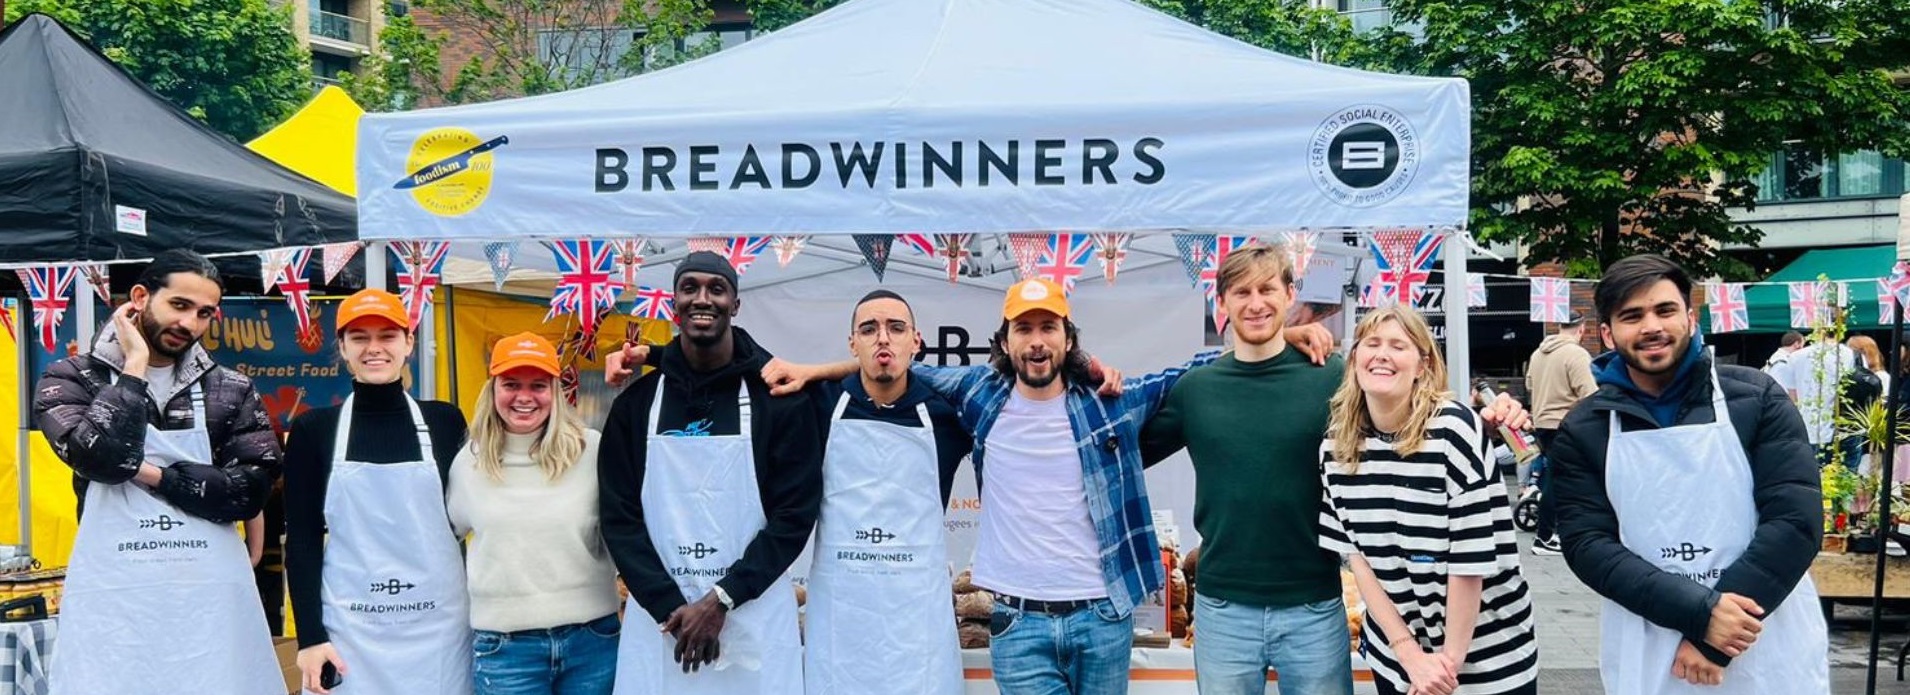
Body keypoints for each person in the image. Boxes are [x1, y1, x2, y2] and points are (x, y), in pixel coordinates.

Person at [767, 276, 1337, 695]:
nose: (1036, 342)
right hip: (1016, 623)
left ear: (1068, 338)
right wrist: (814, 371)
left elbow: (1200, 369)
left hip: (1102, 619)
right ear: (1006, 341)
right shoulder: (978, 393)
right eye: (1024, 329)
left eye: (1048, 328)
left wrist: (1281, 335)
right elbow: (887, 365)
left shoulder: (1113, 404)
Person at [1138, 244, 1527, 695]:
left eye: (1267, 288)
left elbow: (1411, 411)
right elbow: (1125, 455)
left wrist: (1490, 415)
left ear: (1289, 294)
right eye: (1241, 292)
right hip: (1223, 606)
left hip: (1315, 604)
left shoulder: (1332, 377)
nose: (1256, 302)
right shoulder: (1195, 390)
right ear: (1221, 302)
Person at [1549, 254, 1827, 693]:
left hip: (1764, 637)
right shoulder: (1585, 428)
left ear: (1690, 317)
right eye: (1631, 316)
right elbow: (1588, 545)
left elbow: (1796, 521)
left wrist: (1715, 639)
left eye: (1665, 310)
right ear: (1607, 333)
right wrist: (1700, 613)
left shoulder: (1756, 398)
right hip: (1651, 644)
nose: (1651, 327)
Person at [34, 249, 284, 694]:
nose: (190, 324)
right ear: (139, 297)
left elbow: (250, 491)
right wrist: (133, 371)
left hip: (211, 605)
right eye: (180, 306)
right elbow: (100, 461)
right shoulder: (70, 379)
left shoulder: (231, 388)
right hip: (118, 603)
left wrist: (154, 475)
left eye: (205, 313)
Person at [597, 251, 822, 693]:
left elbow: (794, 516)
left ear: (735, 305)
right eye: (690, 288)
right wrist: (669, 608)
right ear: (673, 303)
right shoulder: (635, 406)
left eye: (716, 289)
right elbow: (619, 517)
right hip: (663, 626)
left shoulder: (779, 401)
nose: (703, 298)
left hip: (752, 620)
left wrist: (722, 599)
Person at [1317, 305, 1539, 695]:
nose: (1382, 354)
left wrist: (1443, 670)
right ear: (1354, 361)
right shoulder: (1337, 447)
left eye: (1398, 345)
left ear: (1422, 365)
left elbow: (1469, 562)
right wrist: (1410, 657)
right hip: (1401, 659)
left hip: (1490, 654)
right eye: (1372, 343)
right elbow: (1358, 560)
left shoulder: (1454, 430)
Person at [285, 288, 472, 695]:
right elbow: (302, 540)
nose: (374, 348)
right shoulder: (313, 429)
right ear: (342, 347)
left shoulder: (445, 420)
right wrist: (310, 638)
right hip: (351, 628)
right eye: (360, 337)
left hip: (439, 628)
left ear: (408, 343)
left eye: (387, 336)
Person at [799, 290, 972, 695]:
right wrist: (649, 354)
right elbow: (742, 367)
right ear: (852, 343)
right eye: (869, 329)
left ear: (916, 341)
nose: (883, 338)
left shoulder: (949, 413)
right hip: (842, 622)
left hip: (917, 626)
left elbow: (1013, 377)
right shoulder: (820, 403)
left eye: (896, 328)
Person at [450, 332, 619, 695]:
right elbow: (446, 539)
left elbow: (624, 530)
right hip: (505, 649)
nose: (524, 397)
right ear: (493, 389)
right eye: (511, 384)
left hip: (592, 640)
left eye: (538, 385)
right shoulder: (469, 462)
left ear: (555, 391)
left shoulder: (592, 451)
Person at [1523, 310, 1596, 556]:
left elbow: (1529, 386)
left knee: (1555, 478)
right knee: (1560, 481)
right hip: (1566, 425)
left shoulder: (1536, 354)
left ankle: (1552, 533)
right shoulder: (1576, 354)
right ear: (1582, 328)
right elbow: (1590, 395)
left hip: (1542, 424)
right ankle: (1544, 537)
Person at [1774, 329, 1861, 468]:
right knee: (1844, 474)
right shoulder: (1847, 353)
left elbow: (1793, 397)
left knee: (1811, 475)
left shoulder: (1795, 357)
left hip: (1808, 426)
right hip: (1839, 425)